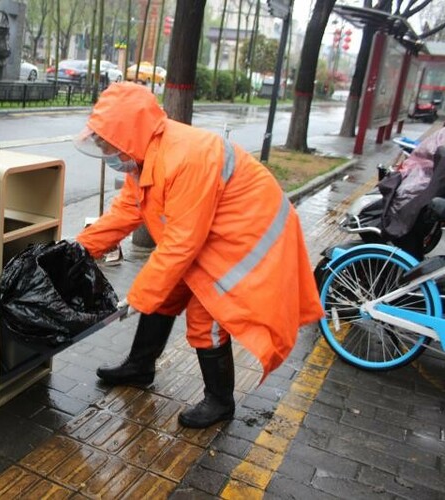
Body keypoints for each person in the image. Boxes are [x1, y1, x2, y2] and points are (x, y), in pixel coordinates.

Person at [73, 82, 324, 429]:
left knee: (207, 316)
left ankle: (220, 401)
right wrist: (77, 250)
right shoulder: (144, 159)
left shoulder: (185, 158)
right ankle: (140, 366)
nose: (108, 153)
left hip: (244, 235)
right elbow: (126, 213)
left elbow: (180, 244)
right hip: (209, 232)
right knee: (166, 292)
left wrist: (137, 297)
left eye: (108, 145)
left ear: (128, 136)